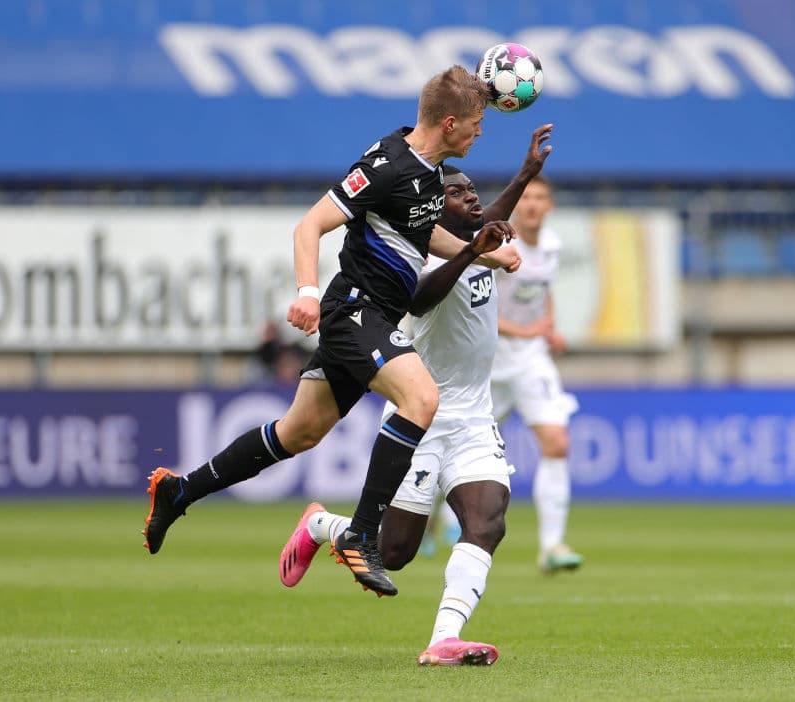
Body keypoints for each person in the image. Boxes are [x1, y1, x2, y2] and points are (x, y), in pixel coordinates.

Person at [141, 65, 520, 599]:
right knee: (421, 397)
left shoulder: (431, 170)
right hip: (354, 311)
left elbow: (421, 232)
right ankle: (361, 535)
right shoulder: (385, 166)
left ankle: (179, 491)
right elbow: (310, 224)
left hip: (377, 318)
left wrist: (482, 252)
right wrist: (307, 293)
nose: (481, 133)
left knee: (298, 433)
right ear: (451, 122)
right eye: (477, 123)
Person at [278, 124, 554, 667]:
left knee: (488, 518)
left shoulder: (475, 241)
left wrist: (523, 176)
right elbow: (423, 301)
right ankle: (321, 525)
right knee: (396, 550)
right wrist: (473, 252)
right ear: (432, 210)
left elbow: (486, 226)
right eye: (457, 192)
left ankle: (442, 639)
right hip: (420, 412)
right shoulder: (415, 254)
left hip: (473, 414)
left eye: (473, 190)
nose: (471, 197)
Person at [491, 175, 583, 574]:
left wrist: (549, 327)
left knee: (557, 442)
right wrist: (528, 330)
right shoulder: (497, 246)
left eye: (540, 197)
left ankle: (551, 546)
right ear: (515, 205)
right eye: (525, 197)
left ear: (550, 206)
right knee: (455, 449)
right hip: (487, 362)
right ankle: (431, 521)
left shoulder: (552, 246)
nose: (531, 204)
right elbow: (479, 309)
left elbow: (544, 292)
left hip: (530, 359)